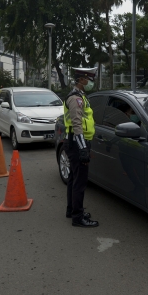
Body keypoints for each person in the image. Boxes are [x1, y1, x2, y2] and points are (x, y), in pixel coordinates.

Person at [63, 67, 99, 228]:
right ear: (82, 80)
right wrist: (83, 148)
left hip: (75, 142)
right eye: (90, 79)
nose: (91, 82)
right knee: (80, 181)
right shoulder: (75, 98)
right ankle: (78, 217)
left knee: (73, 178)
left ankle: (72, 210)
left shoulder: (80, 97)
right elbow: (77, 124)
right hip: (78, 142)